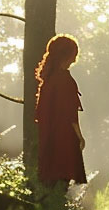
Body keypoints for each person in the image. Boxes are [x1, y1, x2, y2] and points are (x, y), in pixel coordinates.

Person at [34, 33, 86, 191]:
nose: (74, 59)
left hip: (48, 135)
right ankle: (55, 208)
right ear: (68, 55)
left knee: (50, 177)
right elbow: (71, 114)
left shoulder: (48, 80)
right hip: (64, 136)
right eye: (74, 55)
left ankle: (50, 205)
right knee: (62, 178)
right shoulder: (65, 80)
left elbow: (40, 113)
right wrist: (79, 137)